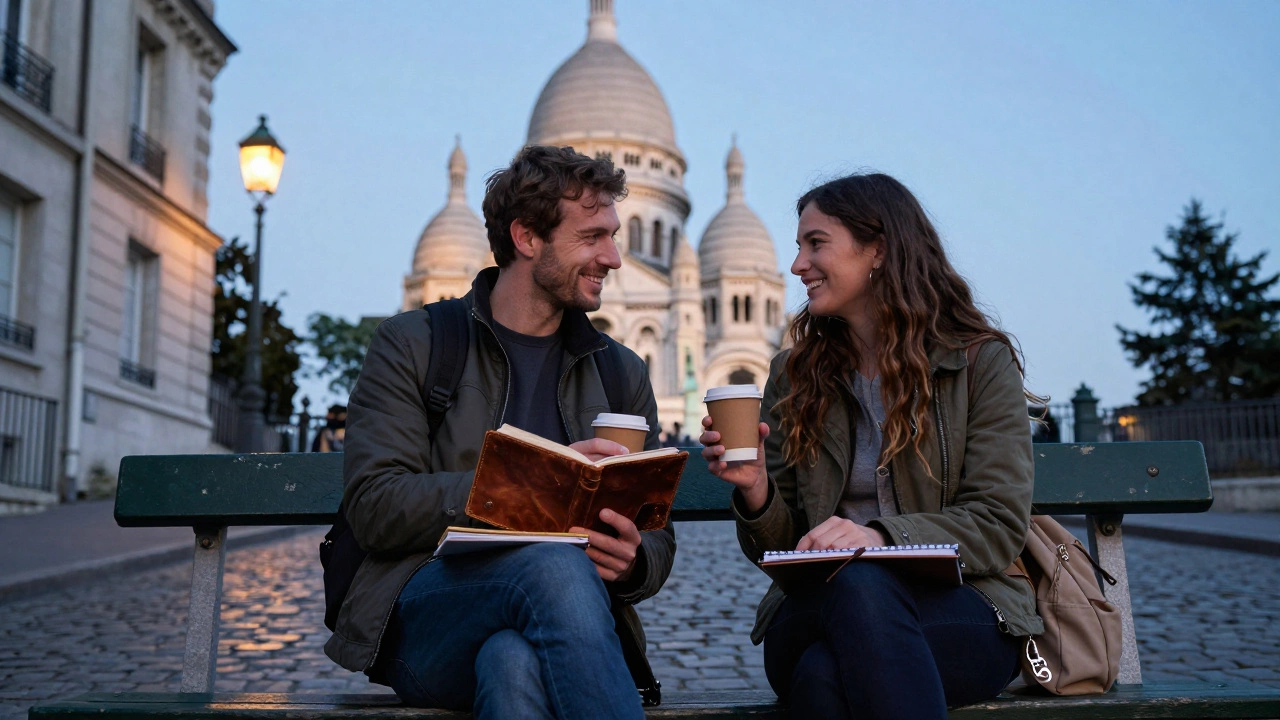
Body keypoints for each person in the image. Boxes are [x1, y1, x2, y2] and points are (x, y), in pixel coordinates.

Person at [325, 146, 674, 720]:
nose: (613, 257)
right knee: (552, 563)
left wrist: (635, 559)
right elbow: (374, 505)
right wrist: (534, 482)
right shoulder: (414, 344)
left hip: (558, 626)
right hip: (426, 612)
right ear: (527, 237)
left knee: (513, 667)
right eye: (593, 237)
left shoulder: (621, 372)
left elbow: (657, 530)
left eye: (616, 235)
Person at [699, 173, 1043, 719]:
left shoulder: (977, 362)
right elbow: (785, 545)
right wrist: (758, 493)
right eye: (797, 247)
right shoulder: (793, 374)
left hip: (961, 607)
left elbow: (998, 522)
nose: (797, 266)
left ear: (878, 250)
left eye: (816, 244)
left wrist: (876, 537)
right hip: (814, 606)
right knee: (855, 585)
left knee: (823, 674)